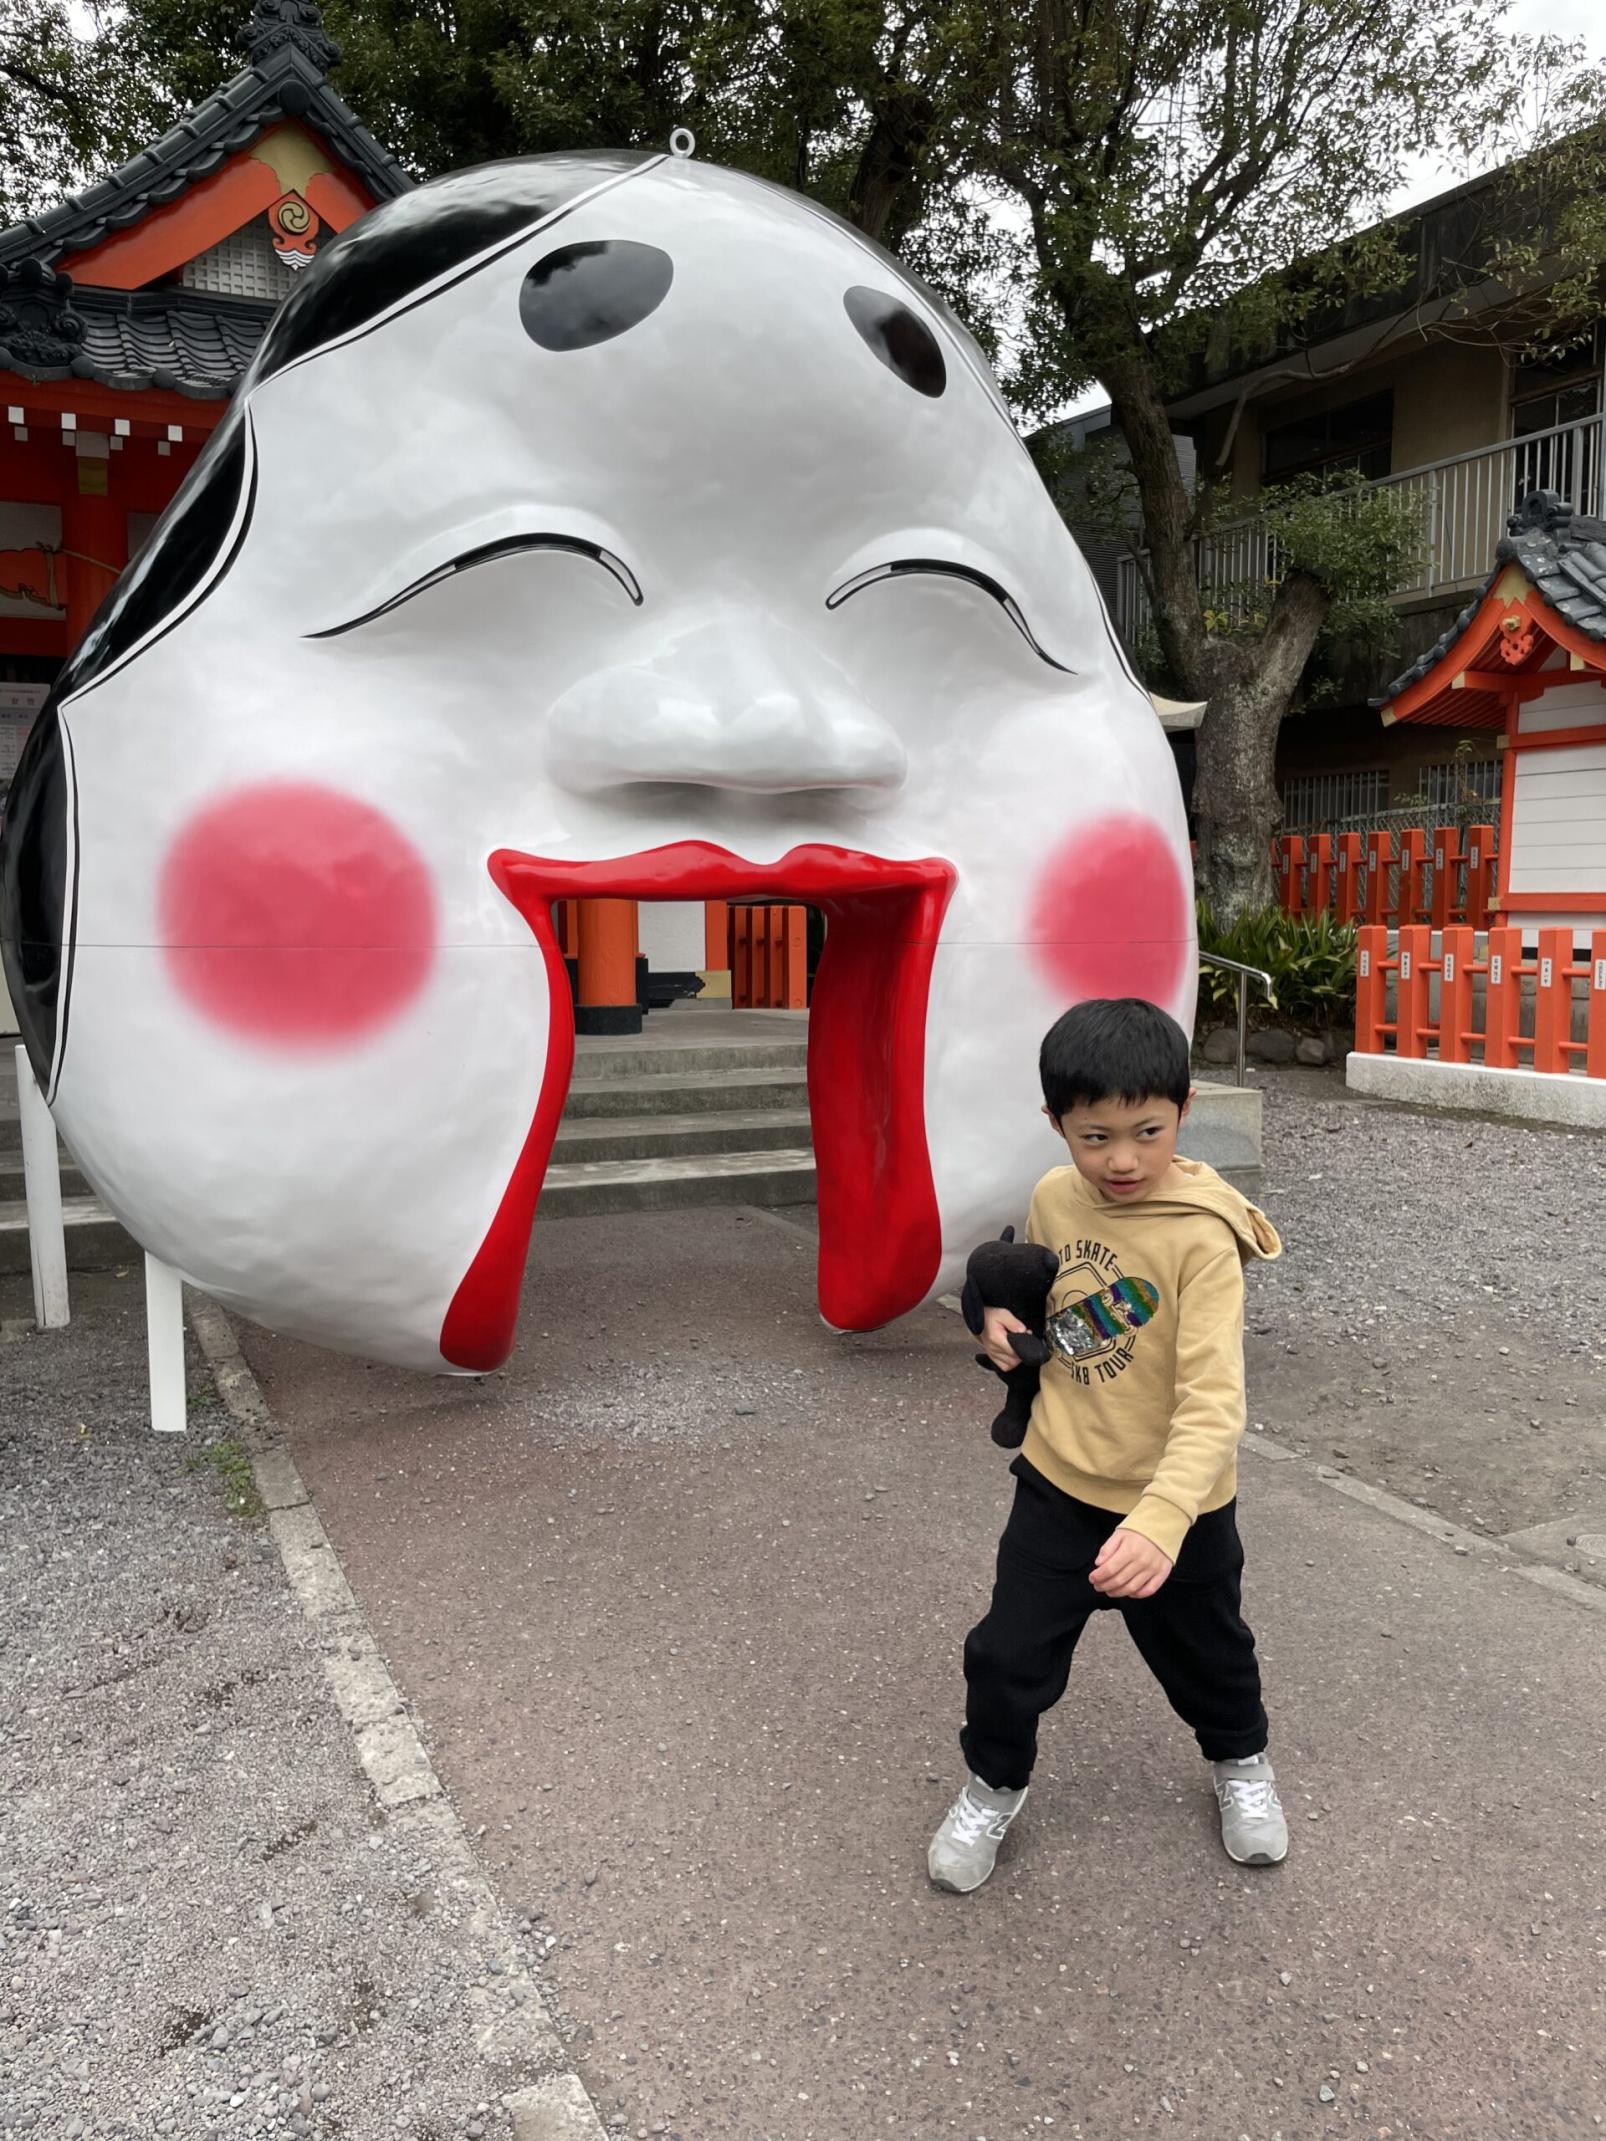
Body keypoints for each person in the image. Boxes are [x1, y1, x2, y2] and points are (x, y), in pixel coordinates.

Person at [928, 997, 1286, 1894]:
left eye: (1147, 1130)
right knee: (1005, 1655)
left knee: (1211, 1655)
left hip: (1178, 1507)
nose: (1122, 1159)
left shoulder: (1203, 1239)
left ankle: (1240, 1763)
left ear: (1185, 1110)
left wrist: (1162, 1520)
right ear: (1056, 1124)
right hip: (1059, 1483)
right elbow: (1034, 1296)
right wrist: (992, 1324)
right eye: (1094, 1136)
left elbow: (1214, 1401)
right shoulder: (1055, 1194)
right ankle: (993, 1783)